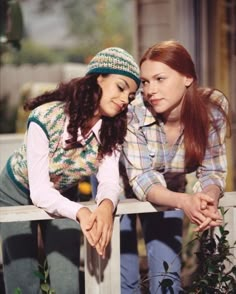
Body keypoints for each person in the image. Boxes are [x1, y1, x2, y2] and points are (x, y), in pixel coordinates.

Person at [0, 47, 140, 294]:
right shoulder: (45, 118)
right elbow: (40, 192)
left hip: (64, 192)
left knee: (67, 280)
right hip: (15, 192)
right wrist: (82, 212)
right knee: (23, 279)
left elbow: (108, 179)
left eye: (130, 95)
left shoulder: (112, 130)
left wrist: (106, 205)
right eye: (121, 87)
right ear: (99, 78)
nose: (124, 99)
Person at [119, 40, 230, 293]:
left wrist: (208, 197)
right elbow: (143, 178)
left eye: (160, 79)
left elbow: (212, 169)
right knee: (125, 280)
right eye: (145, 82)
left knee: (167, 279)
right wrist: (185, 201)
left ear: (188, 77)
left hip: (170, 187)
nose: (150, 90)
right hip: (118, 186)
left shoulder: (212, 109)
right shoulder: (134, 112)